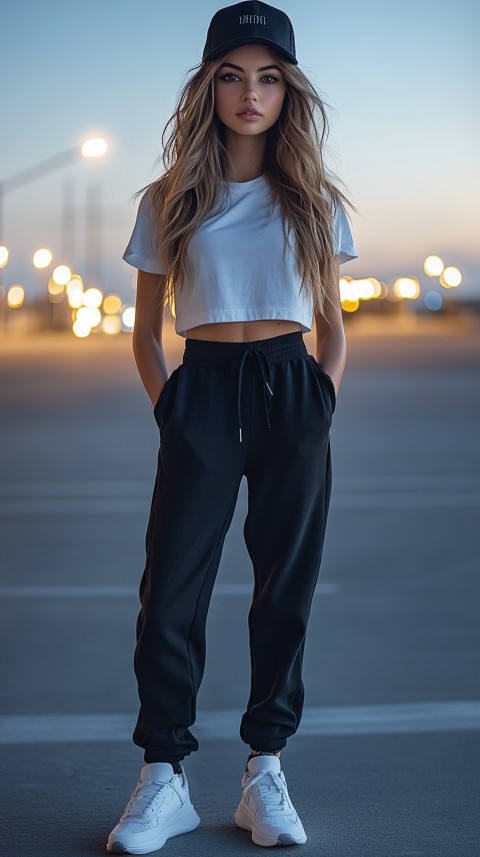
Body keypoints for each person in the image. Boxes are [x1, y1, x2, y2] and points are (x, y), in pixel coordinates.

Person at [107, 1, 358, 852]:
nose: (250, 93)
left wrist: (321, 397)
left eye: (269, 77)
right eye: (231, 75)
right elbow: (144, 330)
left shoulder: (316, 202)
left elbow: (333, 325)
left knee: (283, 590)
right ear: (207, 86)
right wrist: (170, 405)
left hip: (293, 392)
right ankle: (164, 776)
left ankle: (265, 770)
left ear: (289, 92)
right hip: (203, 392)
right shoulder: (169, 198)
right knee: (169, 591)